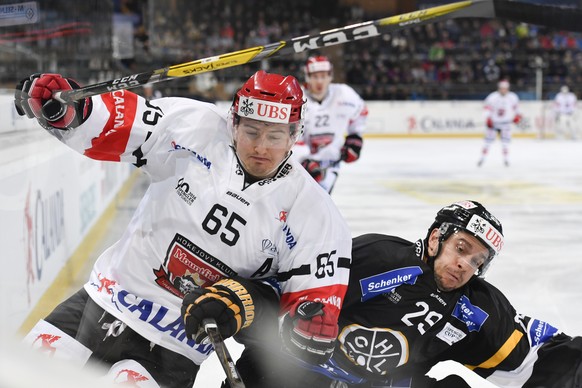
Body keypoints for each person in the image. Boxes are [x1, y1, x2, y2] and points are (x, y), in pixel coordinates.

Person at [13, 71, 352, 387]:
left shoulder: (314, 213)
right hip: (104, 299)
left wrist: (304, 323)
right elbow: (118, 123)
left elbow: (307, 313)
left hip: (176, 345)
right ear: (233, 122)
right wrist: (73, 112)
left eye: (275, 135)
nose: (261, 147)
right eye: (251, 132)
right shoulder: (195, 126)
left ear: (295, 135)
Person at [227, 200, 582, 388]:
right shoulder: (378, 256)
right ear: (435, 238)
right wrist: (238, 301)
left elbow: (534, 357)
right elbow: (285, 290)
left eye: (477, 260)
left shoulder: (475, 309)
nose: (465, 265)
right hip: (295, 369)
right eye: (461, 247)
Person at [293, 55, 368, 194]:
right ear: (307, 76)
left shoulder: (344, 94)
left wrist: (354, 139)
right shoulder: (296, 98)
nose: (319, 81)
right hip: (298, 166)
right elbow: (288, 135)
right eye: (315, 76)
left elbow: (361, 113)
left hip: (331, 165)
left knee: (317, 207)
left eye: (323, 76)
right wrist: (303, 160)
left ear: (330, 76)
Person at [478, 79, 522, 167]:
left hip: (506, 124)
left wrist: (518, 116)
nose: (503, 90)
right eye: (502, 88)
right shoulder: (492, 97)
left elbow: (517, 108)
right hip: (494, 123)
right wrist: (488, 118)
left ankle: (506, 160)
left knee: (505, 143)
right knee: (487, 142)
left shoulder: (513, 97)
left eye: (505, 88)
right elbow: (487, 108)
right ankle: (482, 159)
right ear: (499, 88)